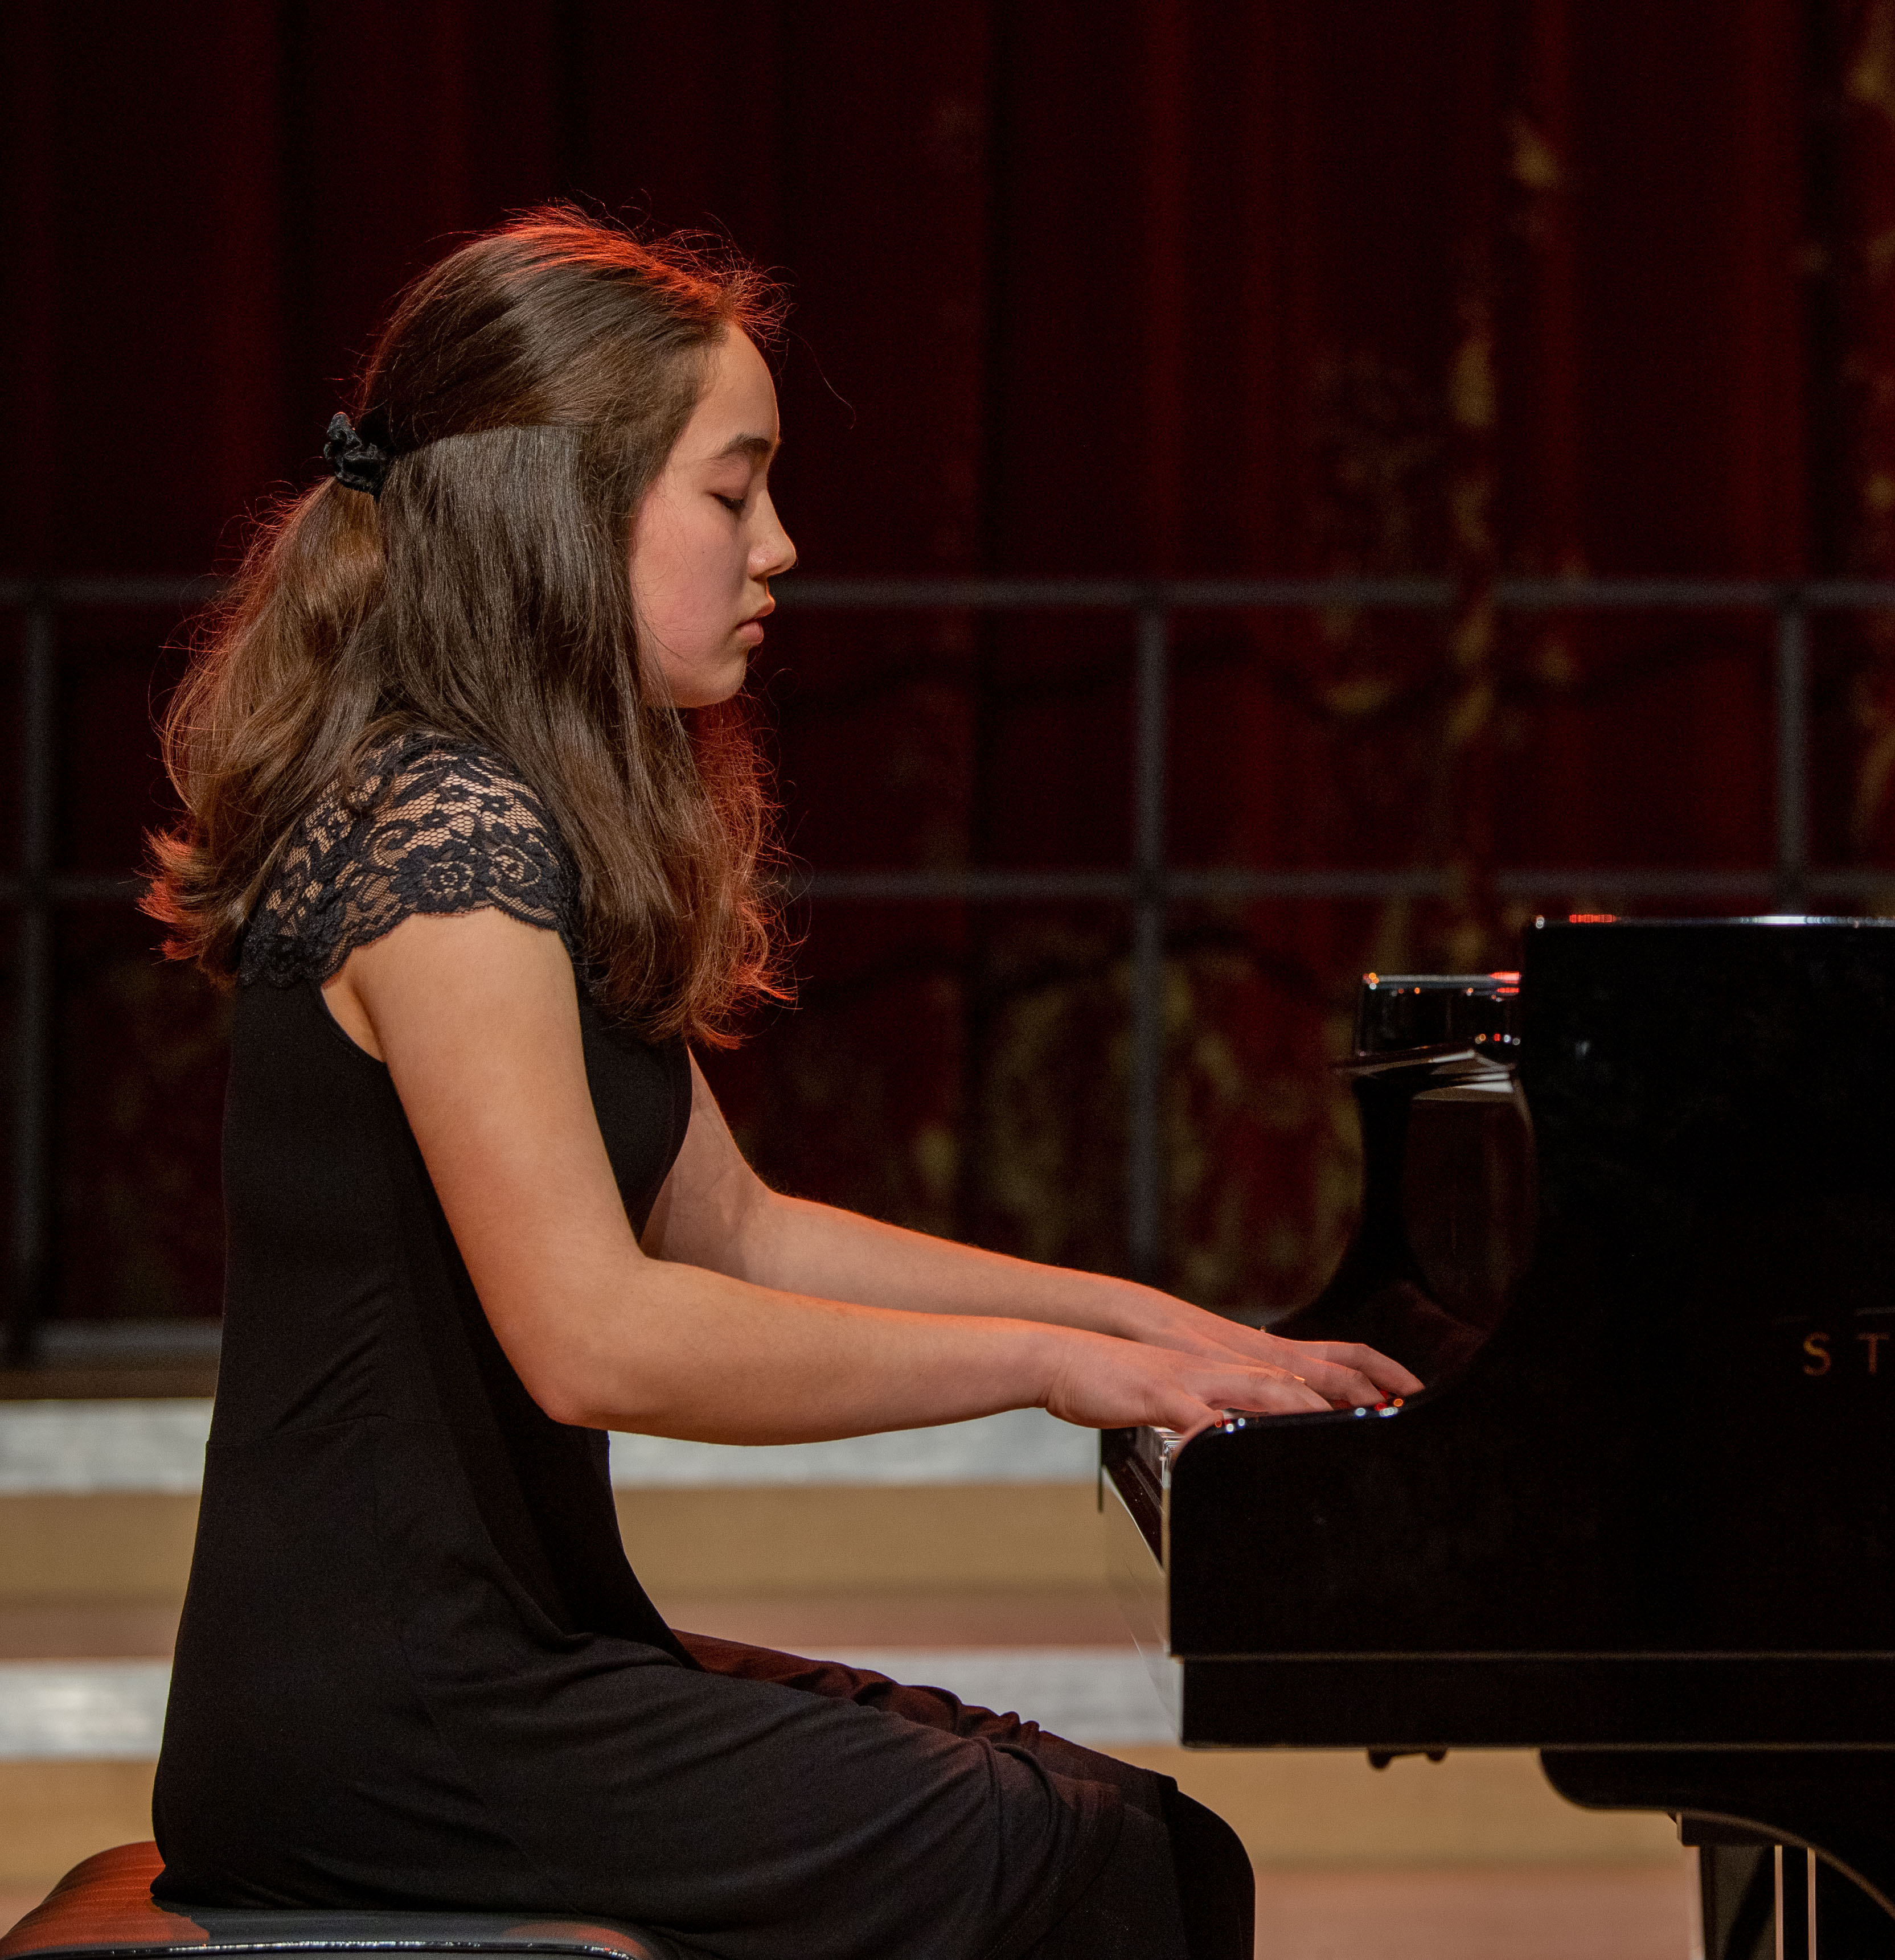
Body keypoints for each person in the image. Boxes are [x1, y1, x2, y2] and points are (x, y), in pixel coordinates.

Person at [138, 208, 1417, 1960]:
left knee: (1143, 1843)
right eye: (732, 491)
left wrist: (1160, 1325)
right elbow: (597, 1332)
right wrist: (1049, 1367)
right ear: (566, 511)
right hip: (394, 1718)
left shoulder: (513, 819)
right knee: (1103, 1872)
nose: (781, 546)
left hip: (497, 1664)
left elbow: (732, 1225)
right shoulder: (439, 836)